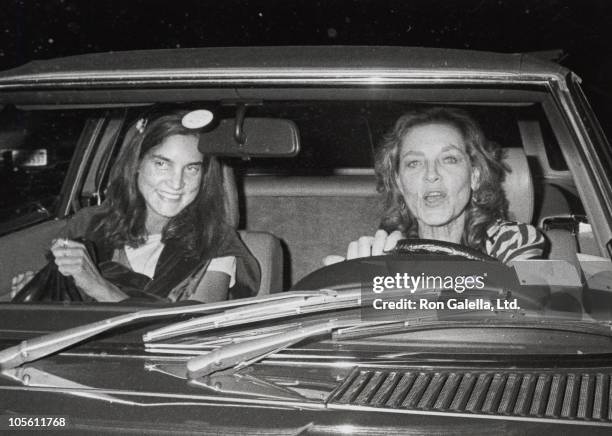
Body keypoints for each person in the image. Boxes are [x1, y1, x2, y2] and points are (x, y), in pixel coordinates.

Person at [11, 110, 260, 302]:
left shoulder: (215, 241)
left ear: (204, 176)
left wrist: (102, 289)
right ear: (138, 164)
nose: (176, 183)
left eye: (192, 169)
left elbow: (195, 327)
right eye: (162, 164)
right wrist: (41, 290)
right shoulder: (86, 225)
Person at [326, 106, 546, 264]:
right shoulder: (386, 250)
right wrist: (357, 283)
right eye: (414, 163)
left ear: (474, 177)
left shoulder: (514, 241)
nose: (431, 174)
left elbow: (536, 306)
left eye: (449, 159)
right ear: (400, 183)